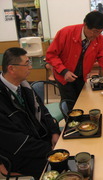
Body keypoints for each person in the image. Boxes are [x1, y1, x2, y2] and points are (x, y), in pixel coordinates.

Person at [46, 11, 103, 109]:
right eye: (94, 31)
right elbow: (51, 55)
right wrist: (64, 71)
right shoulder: (66, 33)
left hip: (81, 77)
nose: (97, 35)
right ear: (85, 25)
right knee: (70, 106)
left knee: (82, 102)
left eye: (100, 32)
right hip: (63, 76)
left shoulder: (100, 40)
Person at [0, 47, 60, 179]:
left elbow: (44, 111)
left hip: (38, 142)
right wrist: (50, 150)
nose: (30, 67)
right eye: (27, 63)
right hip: (19, 155)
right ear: (11, 69)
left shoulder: (24, 86)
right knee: (60, 168)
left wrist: (55, 132)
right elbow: (15, 142)